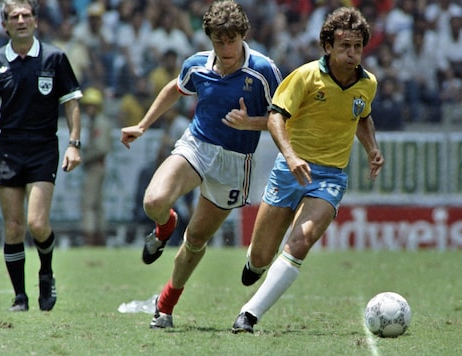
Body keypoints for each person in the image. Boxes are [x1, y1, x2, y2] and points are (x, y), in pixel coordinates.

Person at [120, 0, 282, 329]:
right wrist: (143, 124)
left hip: (234, 163)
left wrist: (249, 123)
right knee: (154, 201)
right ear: (209, 38)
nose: (226, 48)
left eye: (232, 40)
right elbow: (175, 88)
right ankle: (164, 227)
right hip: (197, 145)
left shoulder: (263, 70)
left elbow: (284, 120)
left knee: (195, 240)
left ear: (243, 36)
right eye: (219, 41)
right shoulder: (197, 65)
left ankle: (165, 306)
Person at [231, 6, 384, 334]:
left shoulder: (367, 84)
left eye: (357, 46)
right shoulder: (304, 76)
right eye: (345, 46)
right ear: (328, 46)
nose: (352, 53)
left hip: (329, 177)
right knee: (260, 257)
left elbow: (362, 115)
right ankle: (256, 264)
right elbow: (275, 117)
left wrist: (372, 148)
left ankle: (249, 315)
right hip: (289, 171)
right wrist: (290, 156)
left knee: (300, 242)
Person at [0, 0, 82, 311]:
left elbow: (72, 102)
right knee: (13, 227)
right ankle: (20, 297)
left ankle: (46, 273)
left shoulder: (55, 58)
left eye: (25, 15)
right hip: (8, 150)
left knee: (37, 223)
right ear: (4, 24)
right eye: (13, 17)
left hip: (44, 148)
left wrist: (74, 143)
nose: (20, 20)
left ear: (36, 21)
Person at [80, 87, 113, 246]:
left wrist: (85, 158)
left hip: (95, 166)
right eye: (87, 106)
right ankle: (99, 237)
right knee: (97, 204)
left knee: (89, 203)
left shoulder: (99, 123)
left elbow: (101, 148)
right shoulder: (95, 122)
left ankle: (91, 237)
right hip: (97, 165)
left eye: (91, 105)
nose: (88, 109)